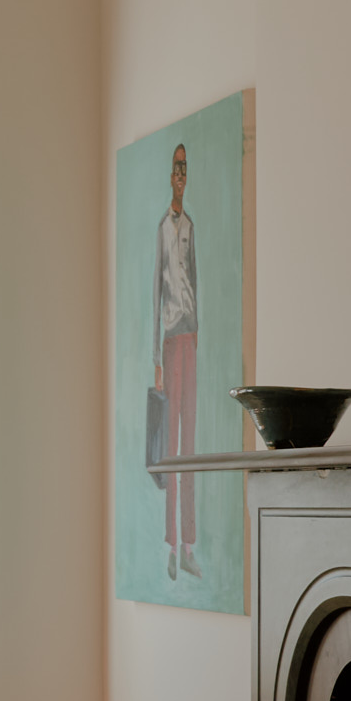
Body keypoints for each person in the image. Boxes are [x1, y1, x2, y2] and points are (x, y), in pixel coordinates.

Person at [152, 143, 199, 579]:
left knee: (191, 444)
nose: (180, 174)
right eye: (176, 168)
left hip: (190, 339)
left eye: (185, 168)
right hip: (168, 341)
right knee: (170, 447)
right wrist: (157, 359)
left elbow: (195, 283)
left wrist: (197, 333)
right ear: (170, 177)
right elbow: (155, 294)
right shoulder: (163, 229)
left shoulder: (190, 227)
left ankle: (188, 545)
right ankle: (171, 546)